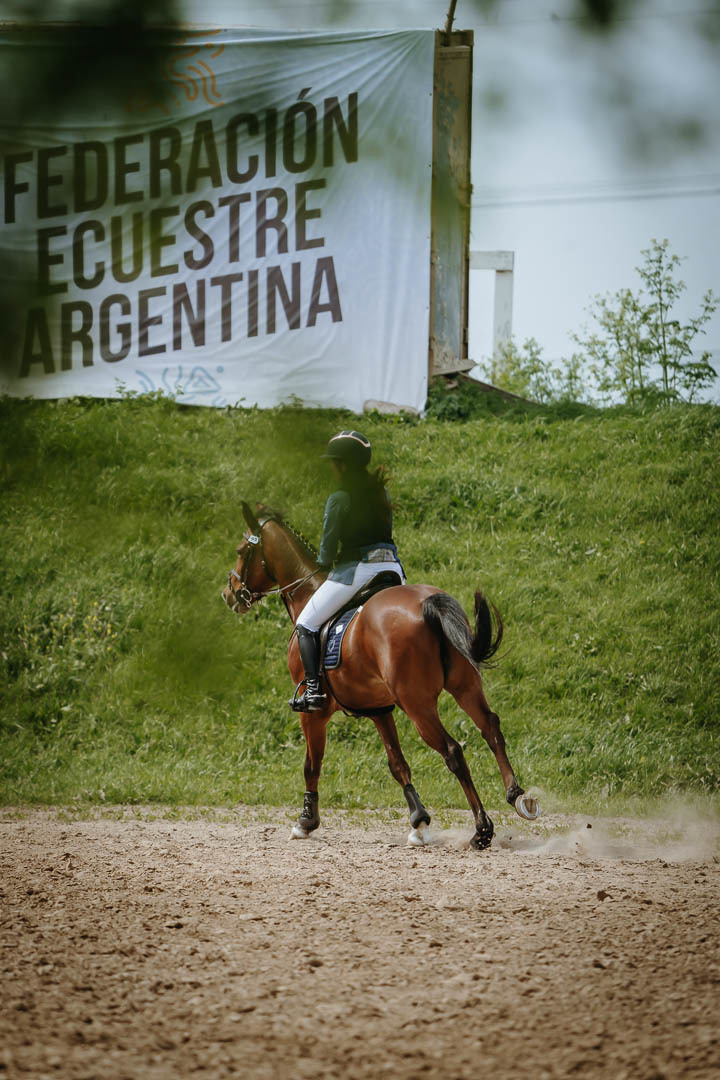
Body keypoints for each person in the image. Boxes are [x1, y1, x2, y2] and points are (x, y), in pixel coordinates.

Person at [290, 430, 405, 712]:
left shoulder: (339, 498)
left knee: (305, 623)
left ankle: (313, 691)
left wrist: (322, 562)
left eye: (334, 462)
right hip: (393, 570)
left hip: (357, 572)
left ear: (342, 465)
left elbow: (327, 553)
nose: (332, 467)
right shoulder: (381, 492)